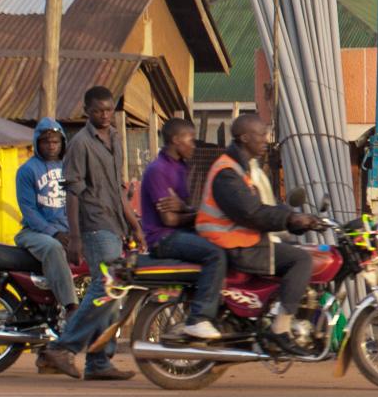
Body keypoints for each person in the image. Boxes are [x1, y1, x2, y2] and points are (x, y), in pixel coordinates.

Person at [198, 114, 324, 356]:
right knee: (301, 260)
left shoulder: (242, 167)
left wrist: (296, 220)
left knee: (299, 251)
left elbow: (265, 206)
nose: (266, 140)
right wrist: (290, 219)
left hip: (242, 240)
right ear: (245, 138)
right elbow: (251, 212)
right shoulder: (227, 172)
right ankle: (280, 329)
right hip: (233, 244)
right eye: (261, 135)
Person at [39, 86, 139, 381]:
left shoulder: (116, 139)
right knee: (106, 288)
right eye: (98, 110)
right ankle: (63, 347)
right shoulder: (80, 144)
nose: (105, 115)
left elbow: (119, 189)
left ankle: (97, 362)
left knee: (110, 294)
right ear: (86, 111)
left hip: (114, 225)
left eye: (109, 110)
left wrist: (135, 225)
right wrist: (76, 237)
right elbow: (72, 193)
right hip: (94, 225)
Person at [138, 118, 226, 340]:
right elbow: (168, 219)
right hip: (164, 238)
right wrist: (194, 214)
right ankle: (199, 319)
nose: (194, 146)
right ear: (176, 140)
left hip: (180, 232)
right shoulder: (158, 170)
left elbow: (183, 210)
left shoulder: (181, 167)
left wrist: (186, 209)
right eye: (190, 140)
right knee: (215, 255)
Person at [13, 118, 77, 314]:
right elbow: (29, 211)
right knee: (53, 247)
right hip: (35, 232)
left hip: (68, 229)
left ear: (63, 143)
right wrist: (54, 233)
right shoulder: (27, 170)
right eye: (46, 142)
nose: (51, 146)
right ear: (37, 143)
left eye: (56, 142)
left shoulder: (70, 167)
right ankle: (71, 306)